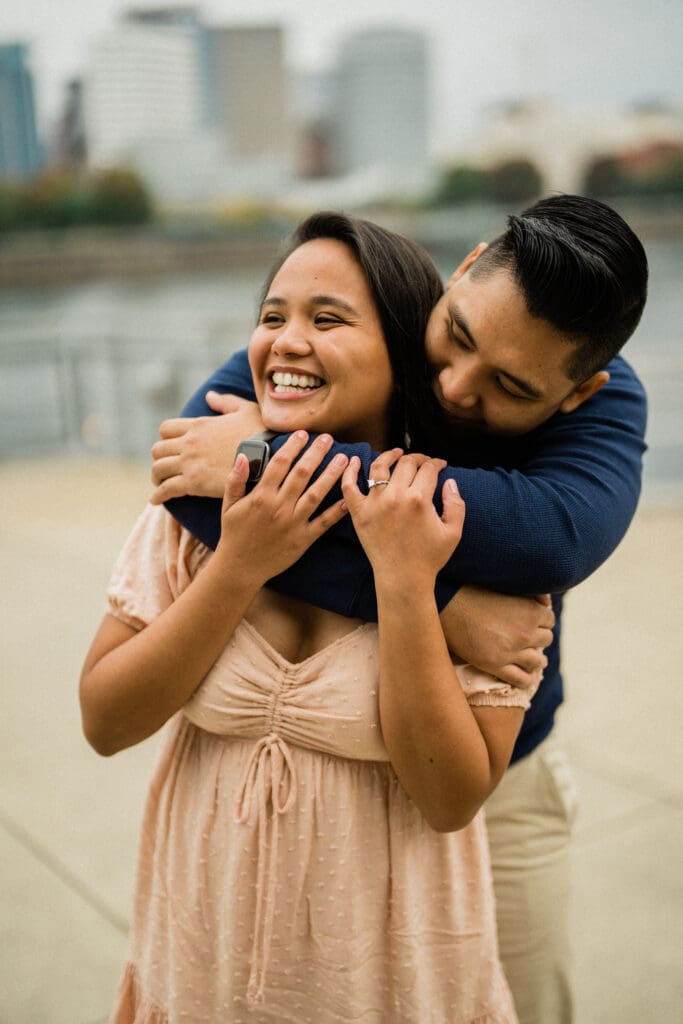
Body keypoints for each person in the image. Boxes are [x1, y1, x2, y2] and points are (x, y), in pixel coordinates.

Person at [149, 194, 649, 1024]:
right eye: (456, 337)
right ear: (463, 268)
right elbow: (189, 478)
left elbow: (553, 541)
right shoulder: (378, 311)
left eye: (509, 387)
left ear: (576, 391)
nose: (454, 388)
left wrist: (268, 456)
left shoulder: (606, 397)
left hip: (507, 779)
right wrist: (439, 598)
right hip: (355, 792)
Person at [80, 212, 539, 1023]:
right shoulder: (197, 501)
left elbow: (449, 799)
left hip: (387, 986)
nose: (285, 342)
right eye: (271, 316)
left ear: (404, 355)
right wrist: (237, 564)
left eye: (326, 320)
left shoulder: (471, 538)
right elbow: (106, 720)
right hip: (200, 967)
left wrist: (405, 583)